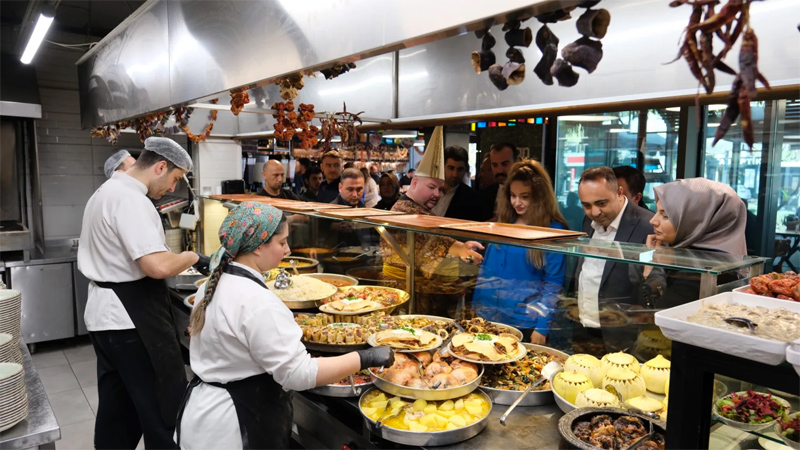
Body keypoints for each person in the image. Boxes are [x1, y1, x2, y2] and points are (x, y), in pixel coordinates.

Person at [175, 203, 393, 449]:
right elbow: (300, 374)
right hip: (236, 426)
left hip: (203, 414)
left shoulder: (212, 284)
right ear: (258, 246)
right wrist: (366, 357)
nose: (288, 250)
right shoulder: (257, 301)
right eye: (282, 243)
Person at [78, 137, 208, 449]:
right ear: (160, 167)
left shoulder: (106, 191)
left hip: (106, 317)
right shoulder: (131, 200)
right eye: (175, 179)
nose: (173, 188)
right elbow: (157, 266)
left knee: (117, 409)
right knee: (162, 408)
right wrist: (194, 257)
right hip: (130, 321)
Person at [381, 127, 484, 316]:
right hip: (400, 292)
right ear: (414, 183)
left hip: (411, 288)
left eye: (440, 189)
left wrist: (462, 246)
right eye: (431, 187)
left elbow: (430, 242)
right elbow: (428, 239)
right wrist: (460, 249)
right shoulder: (405, 209)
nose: (436, 194)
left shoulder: (416, 208)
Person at [471, 160, 567, 344]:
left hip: (524, 321)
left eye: (525, 196)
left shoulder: (553, 230)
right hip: (488, 315)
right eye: (513, 195)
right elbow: (485, 271)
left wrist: (542, 327)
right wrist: (476, 305)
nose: (517, 202)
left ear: (539, 197)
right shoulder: (503, 223)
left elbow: (553, 283)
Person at [645, 178, 746, 308]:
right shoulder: (683, 253)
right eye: (657, 212)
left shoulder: (703, 273)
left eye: (665, 215)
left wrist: (651, 268)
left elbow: (652, 314)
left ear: (697, 221)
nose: (653, 221)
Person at [573, 167, 657, 324]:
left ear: (619, 193)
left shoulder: (648, 225)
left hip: (622, 327)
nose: (595, 212)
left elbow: (653, 281)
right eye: (587, 205)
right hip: (582, 321)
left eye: (601, 203)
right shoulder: (588, 221)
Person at [431, 145, 479, 220]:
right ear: (442, 166)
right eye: (451, 168)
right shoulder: (428, 189)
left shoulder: (471, 198)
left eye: (460, 169)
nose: (455, 174)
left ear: (465, 170)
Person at [478, 143, 519, 221]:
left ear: (516, 162)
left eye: (504, 164)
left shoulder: (528, 193)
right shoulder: (485, 194)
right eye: (494, 165)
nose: (499, 170)